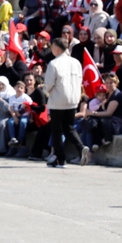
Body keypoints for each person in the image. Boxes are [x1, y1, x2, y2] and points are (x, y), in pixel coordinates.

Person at [42, 36, 85, 168]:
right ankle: (81, 147)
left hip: (58, 100)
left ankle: (61, 159)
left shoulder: (54, 63)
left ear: (56, 48)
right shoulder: (76, 62)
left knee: (56, 130)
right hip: (73, 99)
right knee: (69, 127)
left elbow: (48, 83)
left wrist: (45, 92)